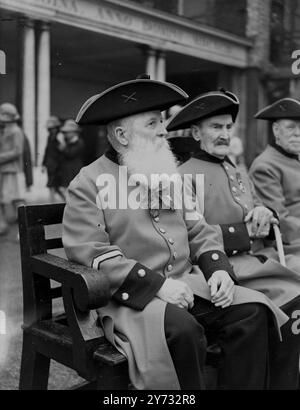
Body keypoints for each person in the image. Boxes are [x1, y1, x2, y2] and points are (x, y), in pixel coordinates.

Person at [62, 77, 287, 390]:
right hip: (130, 299)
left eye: (162, 122)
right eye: (153, 123)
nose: (163, 130)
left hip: (187, 286)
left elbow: (197, 228)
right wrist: (159, 286)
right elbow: (93, 255)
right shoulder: (88, 182)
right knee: (182, 330)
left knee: (252, 312)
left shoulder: (167, 174)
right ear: (122, 135)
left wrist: (217, 269)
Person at [166, 89, 300, 389]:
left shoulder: (235, 170)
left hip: (252, 263)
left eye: (228, 127)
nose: (225, 134)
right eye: (216, 127)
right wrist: (244, 232)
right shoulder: (184, 175)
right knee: (294, 302)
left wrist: (263, 212)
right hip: (217, 272)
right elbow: (188, 238)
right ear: (196, 133)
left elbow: (251, 210)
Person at [249, 98, 300, 251]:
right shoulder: (265, 167)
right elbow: (280, 221)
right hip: (290, 247)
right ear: (276, 130)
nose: (297, 133)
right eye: (291, 127)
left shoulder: (294, 157)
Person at [0, 103, 25, 234]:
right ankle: (3, 226)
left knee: (17, 199)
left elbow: (17, 151)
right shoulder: (5, 130)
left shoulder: (16, 131)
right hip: (5, 170)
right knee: (5, 199)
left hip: (13, 171)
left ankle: (22, 230)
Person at [59, 119, 84, 198]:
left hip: (74, 171)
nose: (66, 135)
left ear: (74, 132)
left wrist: (63, 147)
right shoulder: (69, 143)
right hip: (67, 172)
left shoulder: (79, 142)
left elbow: (70, 154)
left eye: (67, 132)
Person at [42, 116, 65, 202]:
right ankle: (54, 202)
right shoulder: (49, 137)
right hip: (50, 165)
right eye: (50, 128)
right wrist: (43, 163)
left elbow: (63, 150)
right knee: (53, 185)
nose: (52, 130)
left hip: (57, 165)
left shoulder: (60, 136)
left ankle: (54, 202)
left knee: (54, 185)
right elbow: (47, 150)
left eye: (53, 128)